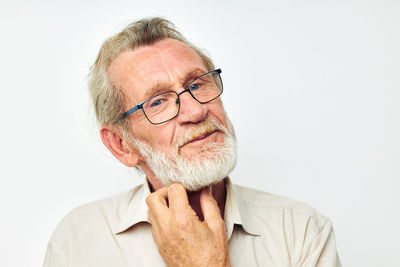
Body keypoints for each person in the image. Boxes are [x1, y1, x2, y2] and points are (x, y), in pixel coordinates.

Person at [43, 17, 341, 267]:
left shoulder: (302, 231)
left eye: (197, 84)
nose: (197, 110)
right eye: (158, 101)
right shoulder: (78, 239)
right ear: (122, 144)